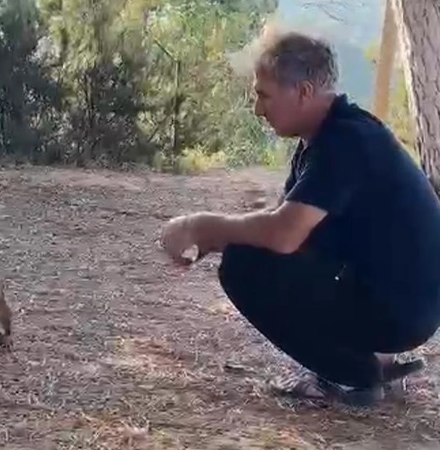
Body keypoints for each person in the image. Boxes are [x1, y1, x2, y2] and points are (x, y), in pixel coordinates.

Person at [159, 28, 440, 407]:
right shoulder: (326, 139)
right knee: (252, 255)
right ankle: (370, 364)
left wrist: (202, 225)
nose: (258, 109)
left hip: (404, 308)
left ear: (304, 92)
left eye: (264, 95)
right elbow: (287, 232)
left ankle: (354, 377)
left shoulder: (345, 142)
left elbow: (283, 234)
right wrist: (217, 237)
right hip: (400, 302)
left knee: (243, 267)